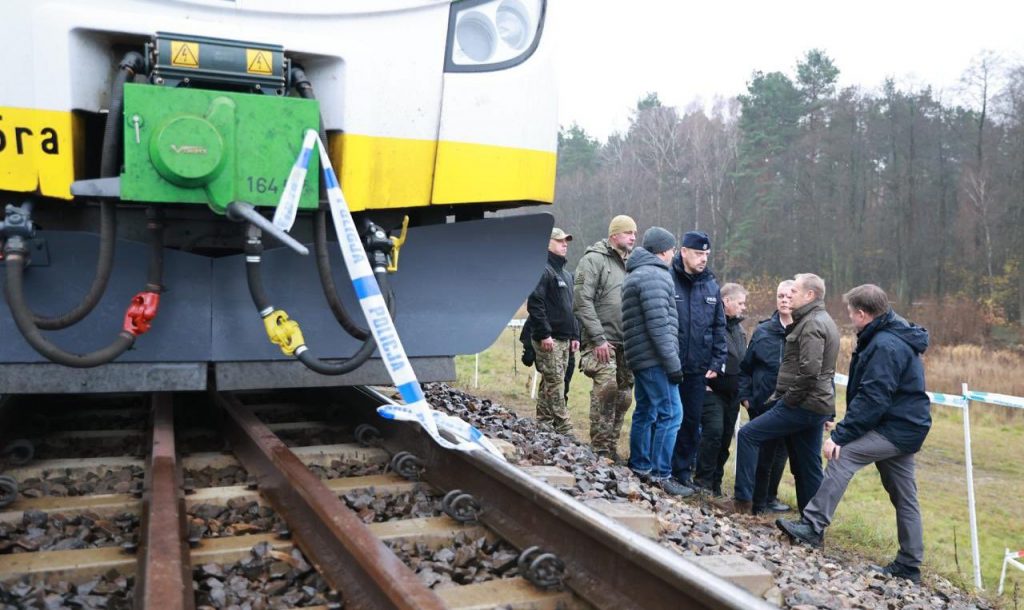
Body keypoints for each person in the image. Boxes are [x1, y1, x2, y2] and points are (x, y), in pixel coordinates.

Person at [777, 284, 931, 584]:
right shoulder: (889, 335)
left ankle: (812, 525)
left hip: (896, 427)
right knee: (905, 496)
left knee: (842, 455)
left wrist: (842, 434)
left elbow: (874, 397)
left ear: (863, 314)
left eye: (850, 313)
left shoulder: (885, 345)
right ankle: (910, 565)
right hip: (905, 425)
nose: (848, 317)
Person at [722, 273, 840, 514]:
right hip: (814, 405)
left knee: (748, 434)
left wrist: (787, 401)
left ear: (810, 295)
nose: (788, 297)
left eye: (794, 291)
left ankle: (742, 502)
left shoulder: (813, 324)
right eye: (784, 293)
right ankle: (812, 524)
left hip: (802, 404)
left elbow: (810, 372)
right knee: (807, 465)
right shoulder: (818, 319)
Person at [621, 227, 692, 496]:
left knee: (646, 410)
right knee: (671, 414)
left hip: (641, 357)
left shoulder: (638, 273)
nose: (674, 253)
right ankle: (661, 474)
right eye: (672, 248)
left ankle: (640, 465)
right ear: (662, 250)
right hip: (655, 359)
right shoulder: (655, 276)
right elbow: (659, 326)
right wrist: (672, 364)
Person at [574, 215, 637, 459]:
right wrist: (598, 338)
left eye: (635, 232)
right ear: (614, 235)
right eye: (628, 232)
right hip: (601, 341)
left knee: (624, 396)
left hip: (627, 343)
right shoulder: (593, 260)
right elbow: (581, 301)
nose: (633, 236)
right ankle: (599, 449)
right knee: (607, 388)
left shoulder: (633, 264)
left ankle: (611, 448)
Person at [669, 231, 726, 488]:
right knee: (667, 417)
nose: (703, 259)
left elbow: (718, 327)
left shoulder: (711, 285)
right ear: (684, 252)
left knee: (691, 420)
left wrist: (717, 361)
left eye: (706, 254)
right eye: (698, 253)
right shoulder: (669, 279)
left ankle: (682, 471)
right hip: (671, 363)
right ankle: (659, 466)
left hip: (698, 367)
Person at [738, 280, 796, 514]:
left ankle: (770, 496)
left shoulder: (805, 331)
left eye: (789, 297)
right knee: (762, 454)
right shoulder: (763, 330)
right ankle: (755, 501)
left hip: (791, 404)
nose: (784, 300)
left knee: (781, 454)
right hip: (762, 403)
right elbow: (746, 367)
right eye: (780, 296)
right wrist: (746, 397)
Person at [693, 282, 748, 496]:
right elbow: (699, 351)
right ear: (726, 301)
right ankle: (703, 480)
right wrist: (702, 381)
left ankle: (716, 482)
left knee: (725, 438)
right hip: (712, 390)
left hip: (733, 394)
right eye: (740, 303)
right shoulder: (709, 324)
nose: (744, 307)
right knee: (713, 432)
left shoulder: (740, 330)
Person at [525, 228, 580, 434]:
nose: (564, 244)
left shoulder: (565, 273)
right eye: (559, 241)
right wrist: (544, 334)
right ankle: (564, 426)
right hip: (549, 339)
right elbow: (536, 304)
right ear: (547, 244)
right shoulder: (542, 270)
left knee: (552, 380)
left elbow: (571, 307)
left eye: (566, 241)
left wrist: (575, 334)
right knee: (556, 382)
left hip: (566, 339)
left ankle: (543, 421)